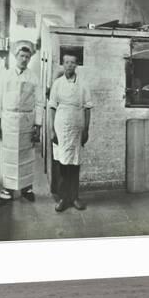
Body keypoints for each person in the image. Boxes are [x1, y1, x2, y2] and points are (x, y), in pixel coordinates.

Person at [0, 40, 43, 208]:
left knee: (27, 156)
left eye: (27, 57)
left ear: (30, 59)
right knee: (8, 156)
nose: (24, 59)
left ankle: (27, 189)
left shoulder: (33, 77)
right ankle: (6, 192)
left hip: (27, 121)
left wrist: (38, 125)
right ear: (16, 56)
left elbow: (39, 102)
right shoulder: (5, 75)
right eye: (22, 56)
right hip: (8, 121)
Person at [49, 54, 93, 212]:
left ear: (76, 65)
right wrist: (52, 130)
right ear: (63, 64)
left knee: (75, 163)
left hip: (77, 127)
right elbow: (52, 107)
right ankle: (62, 198)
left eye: (72, 63)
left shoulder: (83, 84)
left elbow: (88, 108)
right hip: (61, 126)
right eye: (66, 62)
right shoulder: (57, 84)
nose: (69, 65)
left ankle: (74, 197)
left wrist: (86, 129)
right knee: (61, 163)